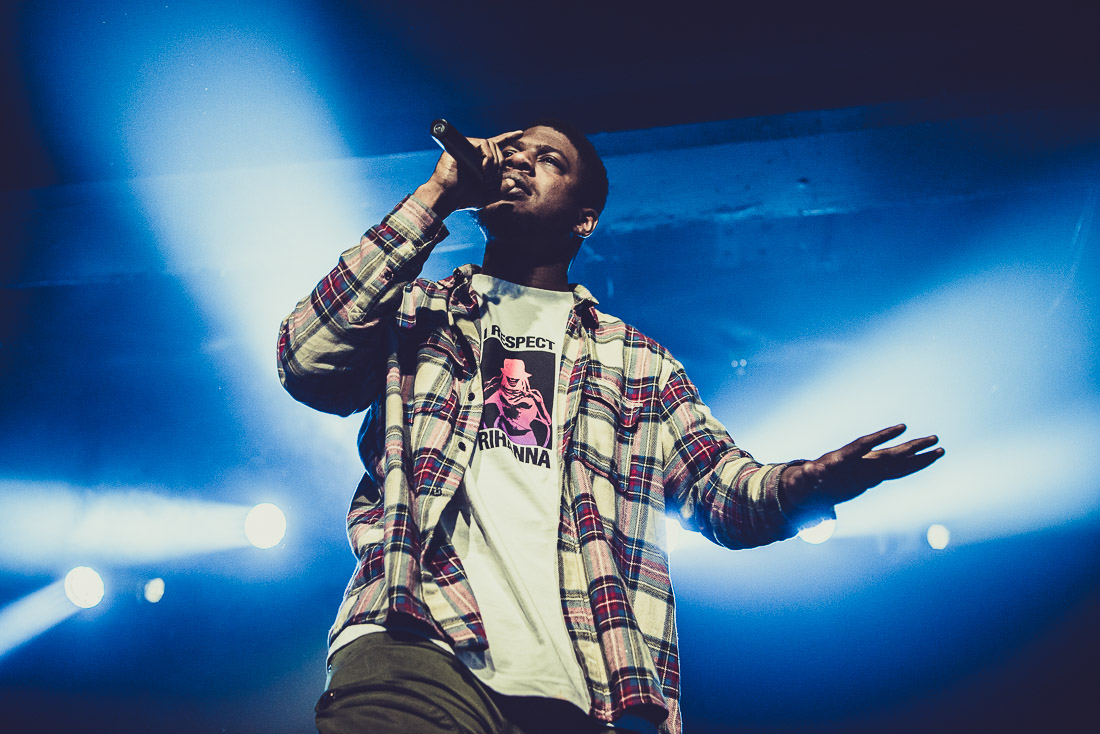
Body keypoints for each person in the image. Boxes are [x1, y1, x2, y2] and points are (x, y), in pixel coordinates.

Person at [277, 120, 944, 734]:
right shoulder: (419, 311)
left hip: (586, 685)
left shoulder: (637, 362)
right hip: (417, 642)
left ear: (584, 218)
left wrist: (808, 484)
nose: (518, 160)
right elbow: (307, 358)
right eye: (513, 150)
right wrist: (436, 196)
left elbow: (723, 491)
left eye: (547, 159)